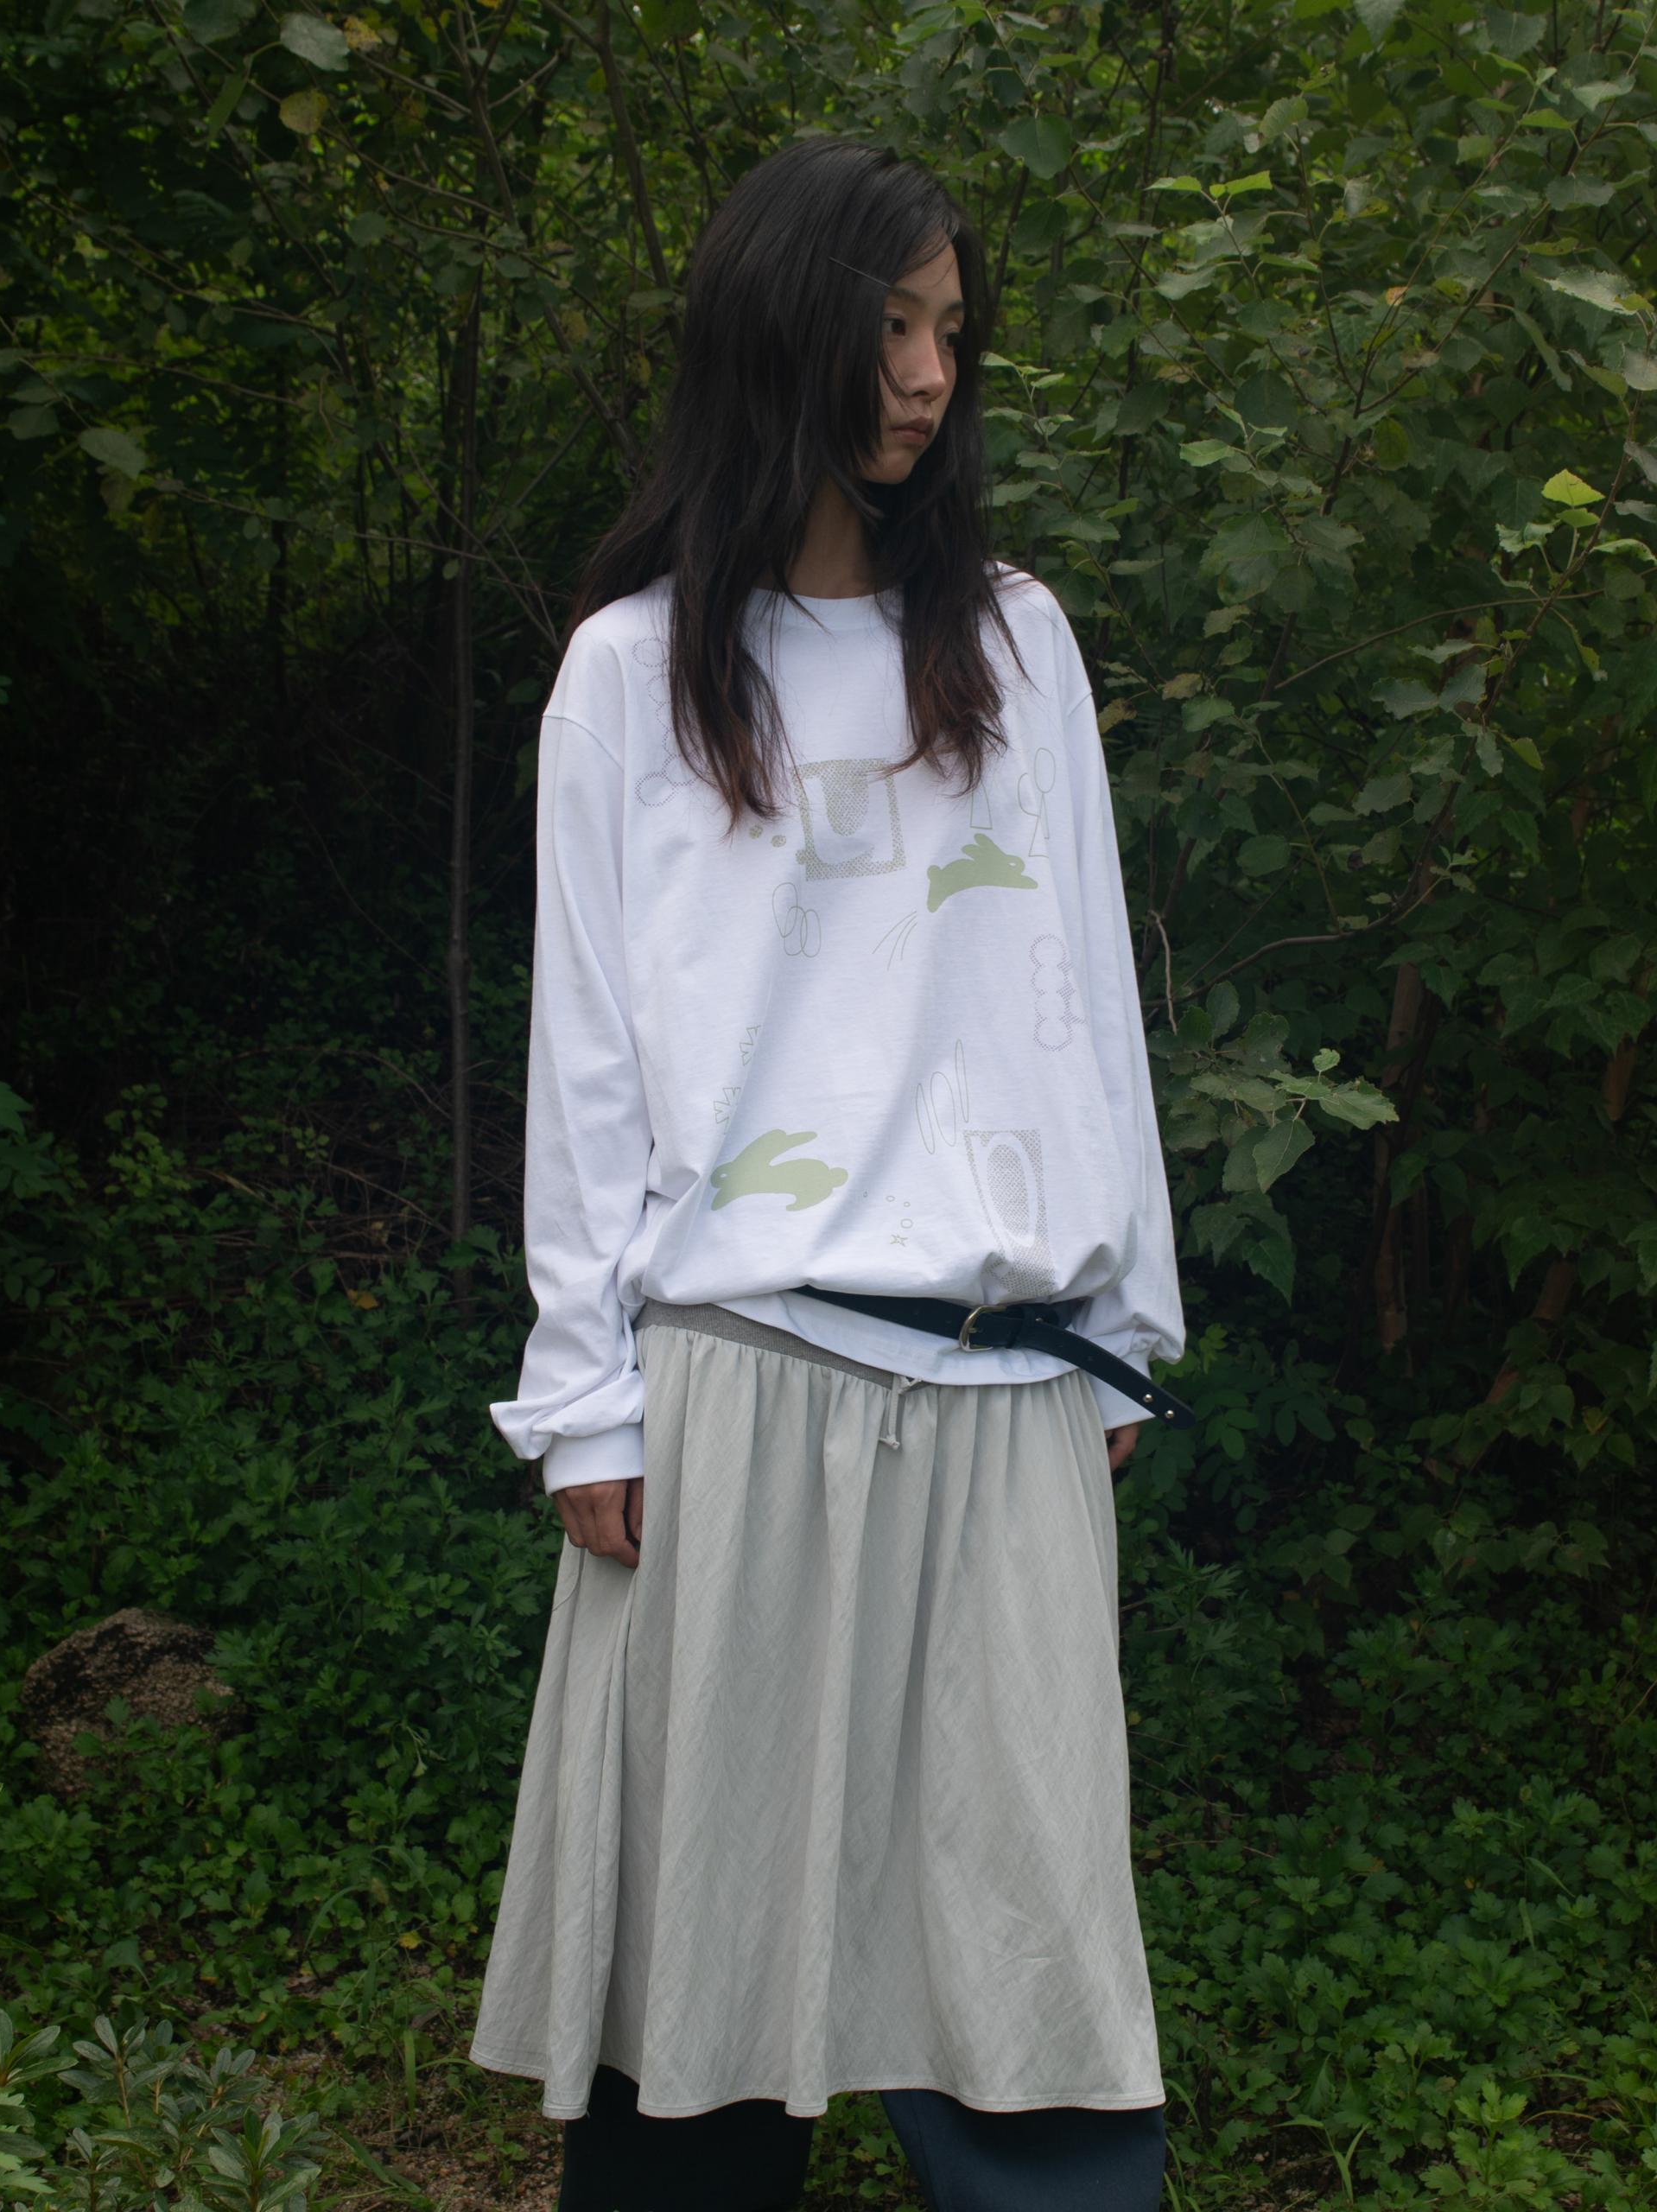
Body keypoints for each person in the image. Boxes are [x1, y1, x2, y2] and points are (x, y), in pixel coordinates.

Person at [466, 134, 1186, 2212]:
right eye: (889, 325)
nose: (930, 373)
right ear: (780, 329)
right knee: (694, 2017)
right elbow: (589, 1062)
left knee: (1039, 2003)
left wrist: (1126, 1317)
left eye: (950, 329)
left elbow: (1082, 992)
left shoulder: (1018, 645)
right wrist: (585, 1396)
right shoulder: (632, 672)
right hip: (740, 1389)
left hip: (1008, 1385)